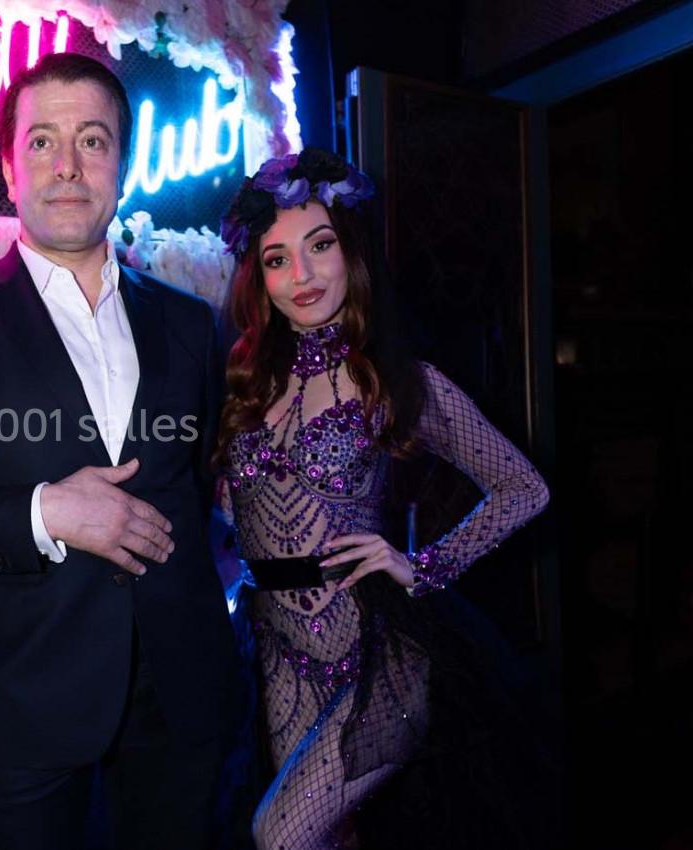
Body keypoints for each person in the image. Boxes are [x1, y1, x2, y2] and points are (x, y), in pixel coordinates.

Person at [0, 52, 241, 850]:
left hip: (183, 695)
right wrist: (48, 512)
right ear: (9, 169)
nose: (68, 166)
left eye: (93, 140)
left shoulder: (189, 322)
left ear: (123, 162)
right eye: (41, 142)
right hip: (26, 705)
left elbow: (205, 479)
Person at [216, 147, 551, 850]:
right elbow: (226, 509)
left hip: (382, 650)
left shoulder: (398, 380)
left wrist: (424, 565)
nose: (301, 274)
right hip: (278, 647)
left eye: (320, 245)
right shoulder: (241, 391)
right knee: (330, 840)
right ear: (259, 278)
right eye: (276, 258)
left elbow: (525, 488)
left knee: (279, 835)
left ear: (351, 251)